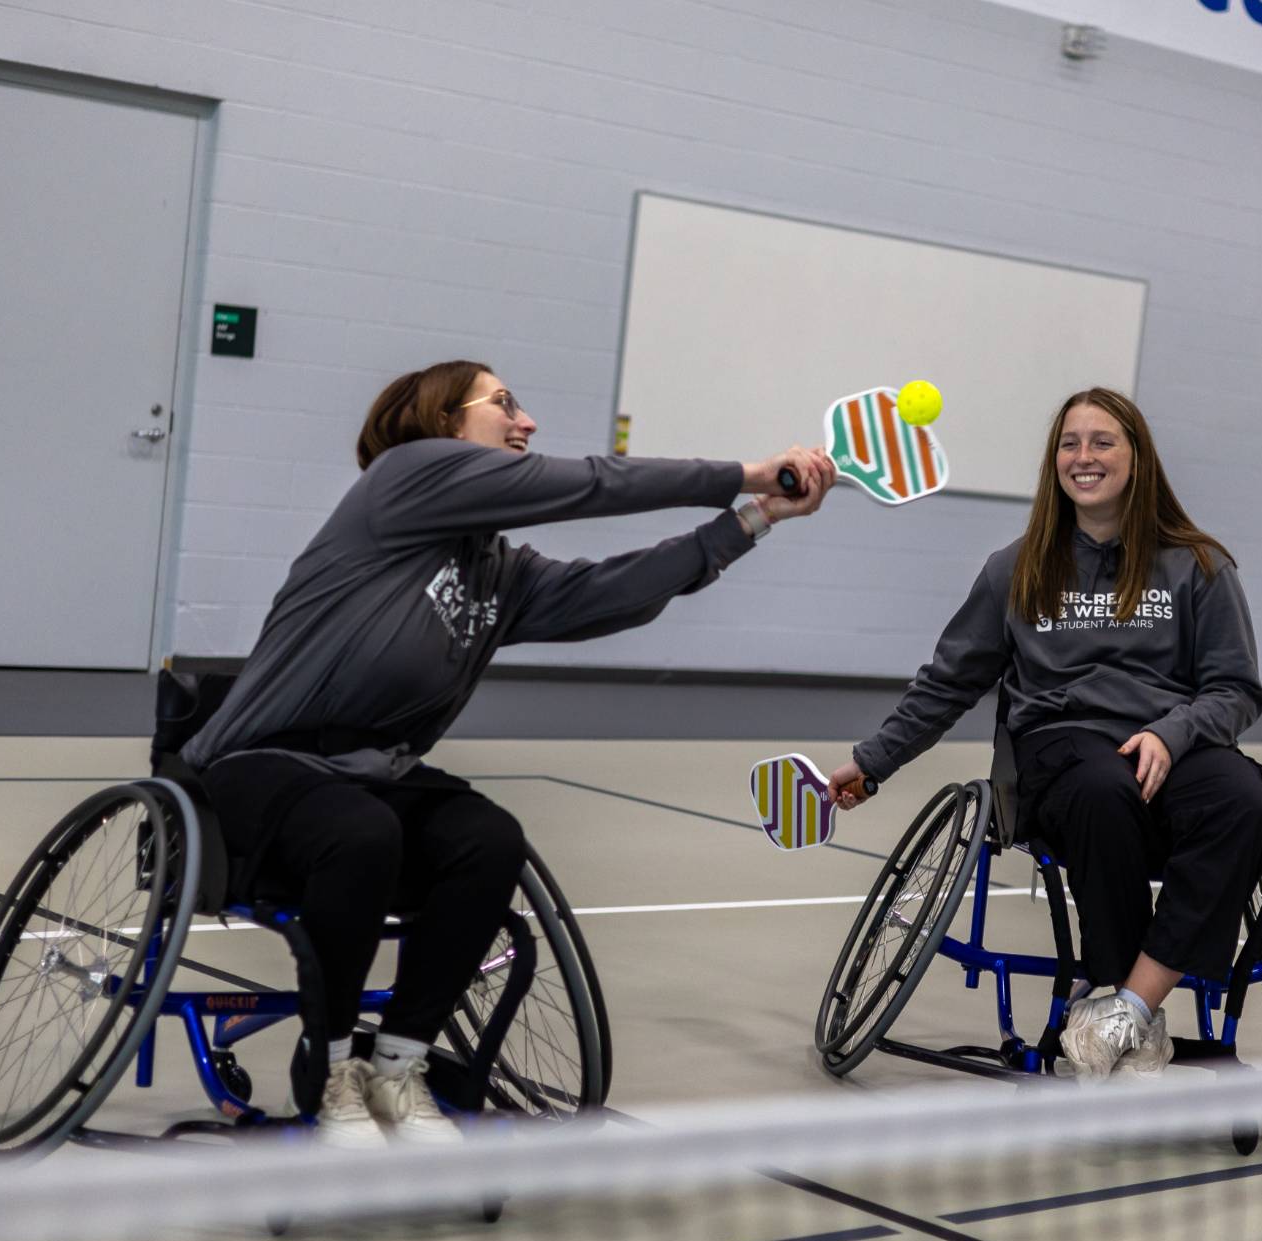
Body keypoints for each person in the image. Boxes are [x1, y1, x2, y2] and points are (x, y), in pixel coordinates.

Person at [183, 359, 835, 1146]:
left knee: (486, 838)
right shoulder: (406, 476)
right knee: (362, 832)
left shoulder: (498, 569)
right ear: (444, 424)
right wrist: (740, 470)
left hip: (372, 776)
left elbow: (614, 592)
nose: (526, 422)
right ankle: (330, 1072)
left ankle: (399, 1067)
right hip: (262, 768)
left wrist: (754, 517)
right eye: (504, 405)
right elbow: (591, 483)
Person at [827, 387, 1262, 1081]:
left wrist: (1173, 729)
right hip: (1063, 750)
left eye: (1103, 442)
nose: (1084, 456)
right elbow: (950, 679)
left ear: (1137, 457)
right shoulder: (1017, 567)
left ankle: (1128, 1008)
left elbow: (1236, 689)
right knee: (1104, 789)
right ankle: (1120, 1008)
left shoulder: (1199, 564)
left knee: (1248, 802)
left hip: (1170, 745)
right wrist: (873, 760)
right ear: (1054, 461)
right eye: (1070, 443)